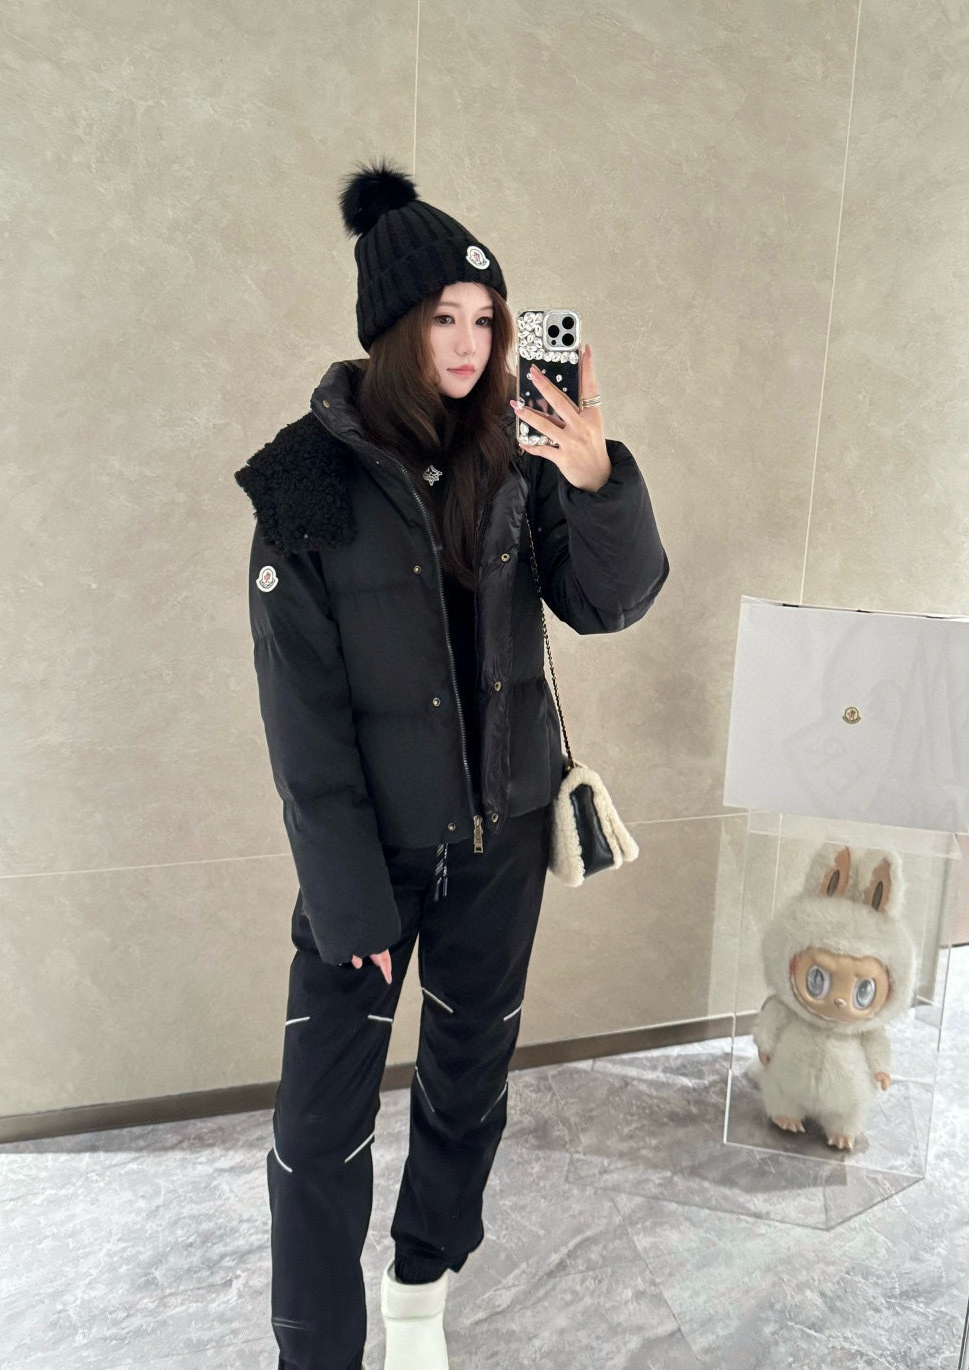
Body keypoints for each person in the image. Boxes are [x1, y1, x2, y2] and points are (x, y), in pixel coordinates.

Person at [234, 156, 670, 1370]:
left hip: (502, 843)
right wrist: (346, 899)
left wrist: (597, 476)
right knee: (318, 1129)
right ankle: (317, 1351)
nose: (472, 343)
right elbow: (300, 715)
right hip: (365, 860)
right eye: (444, 318)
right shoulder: (302, 476)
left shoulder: (522, 457)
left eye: (488, 318)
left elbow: (611, 603)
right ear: (392, 327)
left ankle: (421, 1292)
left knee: (468, 1085)